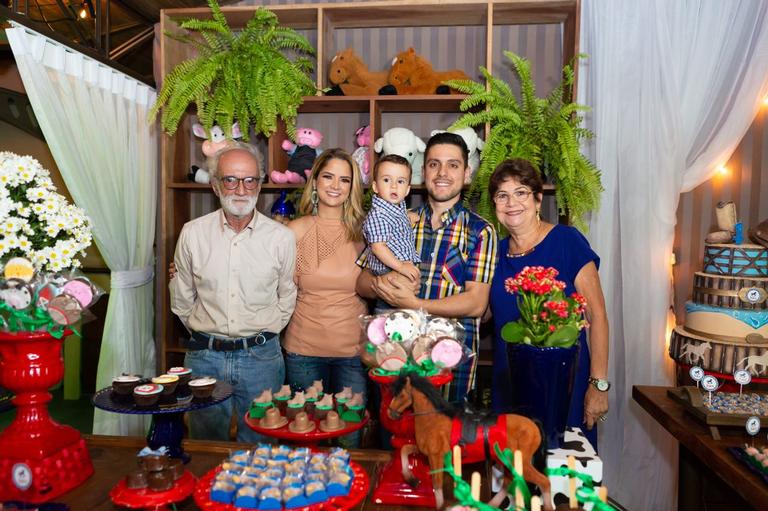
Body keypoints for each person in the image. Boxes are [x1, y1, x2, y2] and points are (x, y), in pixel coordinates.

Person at [169, 142, 297, 443]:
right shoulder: (192, 233)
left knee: (261, 446)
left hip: (262, 358)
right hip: (204, 358)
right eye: (231, 180)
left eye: (250, 180)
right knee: (205, 444)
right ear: (215, 186)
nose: (241, 189)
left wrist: (264, 332)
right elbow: (182, 296)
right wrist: (207, 334)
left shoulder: (281, 238)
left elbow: (287, 295)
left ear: (260, 183)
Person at [357, 132, 498, 402]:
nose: (442, 172)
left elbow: (476, 304)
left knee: (445, 442)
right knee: (393, 438)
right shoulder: (398, 219)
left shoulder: (480, 231)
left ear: (467, 173)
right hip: (396, 361)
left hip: (451, 366)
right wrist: (382, 284)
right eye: (434, 164)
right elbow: (361, 282)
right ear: (423, 172)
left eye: (453, 165)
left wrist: (412, 302)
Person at [487, 158, 609, 447]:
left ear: (538, 199)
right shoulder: (495, 253)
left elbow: (598, 315)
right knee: (514, 478)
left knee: (565, 479)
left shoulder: (566, 242)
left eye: (521, 193)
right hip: (510, 386)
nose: (511, 202)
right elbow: (483, 313)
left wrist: (598, 385)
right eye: (502, 196)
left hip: (564, 386)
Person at [282, 148, 369, 427]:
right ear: (315, 182)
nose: (335, 186)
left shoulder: (367, 233)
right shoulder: (293, 231)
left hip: (353, 354)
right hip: (302, 351)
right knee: (305, 437)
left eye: (344, 180)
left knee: (350, 436)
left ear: (352, 187)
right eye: (328, 177)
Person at [359, 154, 420, 282]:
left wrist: (407, 217)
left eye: (400, 181)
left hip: (398, 264)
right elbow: (378, 247)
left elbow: (393, 226)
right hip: (388, 268)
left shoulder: (396, 208)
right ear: (375, 187)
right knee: (397, 295)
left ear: (407, 190)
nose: (394, 186)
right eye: (386, 180)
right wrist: (401, 266)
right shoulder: (378, 215)